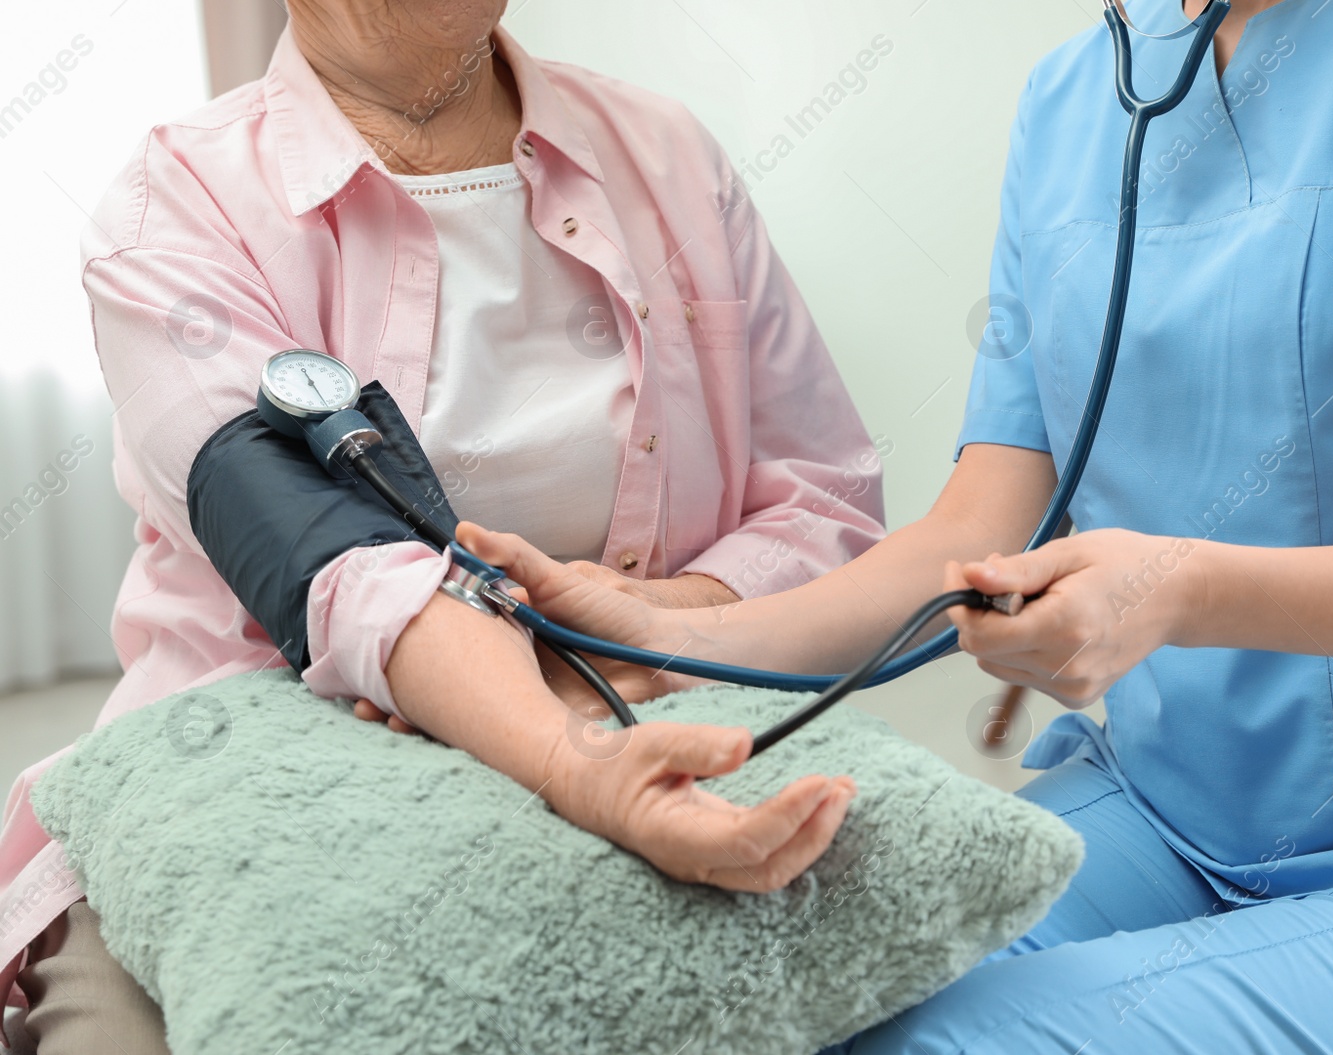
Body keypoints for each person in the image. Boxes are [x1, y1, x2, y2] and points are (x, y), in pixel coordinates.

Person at [456, 0, 1333, 1049]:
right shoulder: (1074, 97)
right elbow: (971, 530)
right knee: (772, 996)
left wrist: (1185, 587)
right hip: (1161, 799)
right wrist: (664, 645)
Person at [0, 1, 883, 1050]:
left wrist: (654, 621)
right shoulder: (175, 204)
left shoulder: (666, 154)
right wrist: (559, 737)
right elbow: (327, 557)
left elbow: (824, 499)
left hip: (651, 694)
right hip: (251, 758)